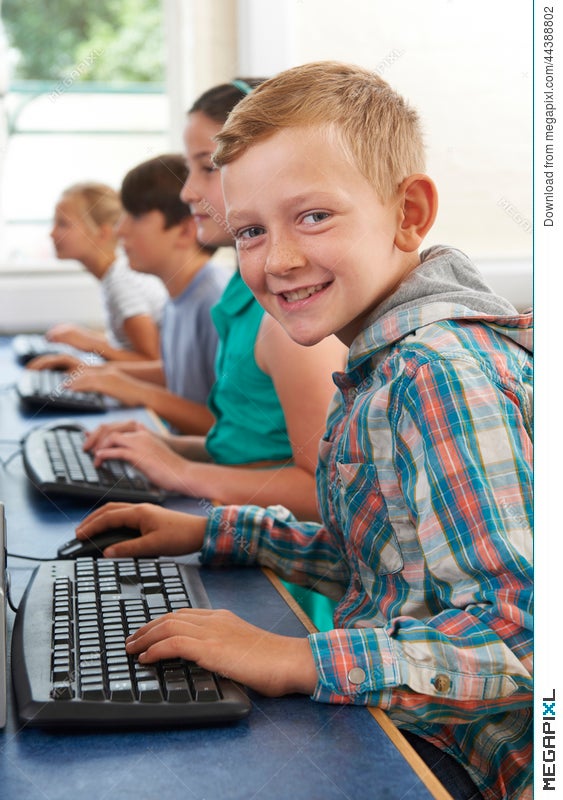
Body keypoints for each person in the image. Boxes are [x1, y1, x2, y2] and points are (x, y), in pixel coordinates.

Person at [76, 62, 533, 800]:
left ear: (408, 213)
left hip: (474, 766)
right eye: (251, 230)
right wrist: (214, 533)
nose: (278, 259)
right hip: (419, 730)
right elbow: (392, 567)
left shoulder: (438, 373)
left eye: (313, 216)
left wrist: (297, 658)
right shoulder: (383, 363)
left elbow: (523, 641)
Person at [81, 80, 347, 526]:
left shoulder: (292, 312)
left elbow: (322, 492)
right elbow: (249, 449)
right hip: (240, 534)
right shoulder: (242, 293)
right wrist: (164, 446)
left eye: (207, 168)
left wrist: (184, 473)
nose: (187, 193)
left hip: (286, 580)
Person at [30, 155, 229, 436]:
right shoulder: (178, 296)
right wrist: (104, 375)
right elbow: (174, 373)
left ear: (185, 230)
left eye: (134, 216)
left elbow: (227, 429)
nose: (120, 230)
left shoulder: (215, 302)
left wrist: (138, 392)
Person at [44, 182, 168, 361]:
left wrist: (90, 343)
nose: (52, 233)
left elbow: (152, 362)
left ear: (102, 233)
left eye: (62, 224)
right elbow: (127, 347)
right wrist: (86, 338)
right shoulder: (113, 276)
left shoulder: (122, 283)